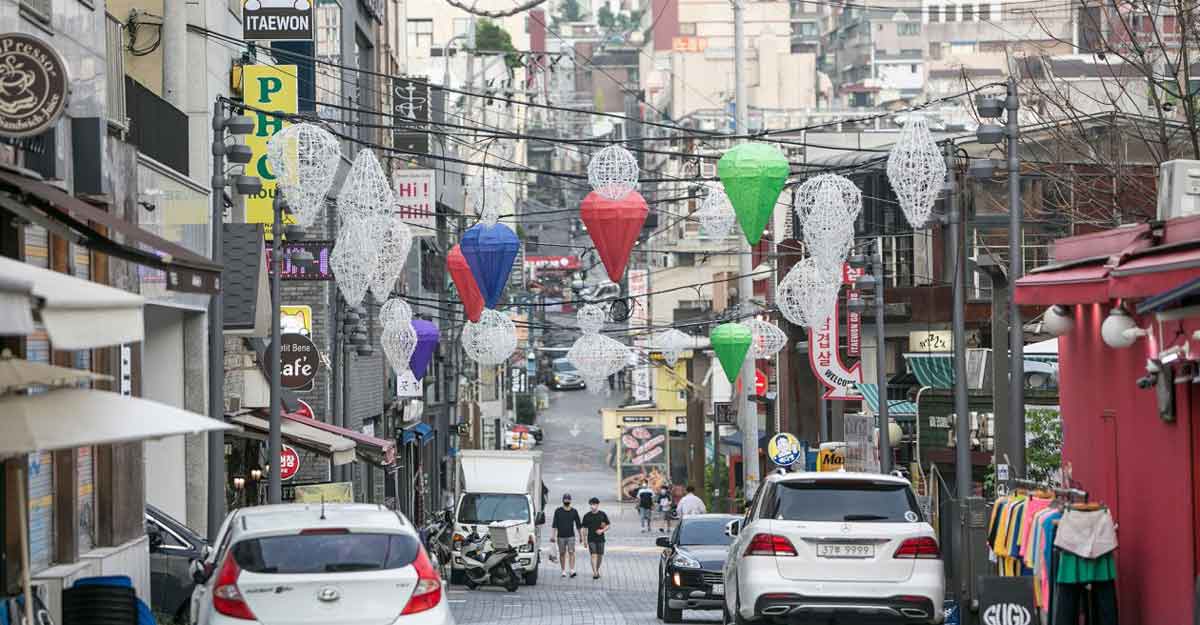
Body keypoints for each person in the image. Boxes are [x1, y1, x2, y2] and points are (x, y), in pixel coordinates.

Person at [550, 494, 583, 578]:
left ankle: (572, 570)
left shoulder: (574, 511)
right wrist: (553, 536)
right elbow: (554, 524)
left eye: (568, 500)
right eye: (565, 499)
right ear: (563, 500)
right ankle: (563, 570)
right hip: (560, 536)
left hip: (571, 536)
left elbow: (578, 524)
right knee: (562, 553)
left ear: (570, 501)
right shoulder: (558, 511)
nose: (567, 501)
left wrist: (580, 536)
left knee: (571, 552)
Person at [581, 497, 611, 579]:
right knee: (593, 555)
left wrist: (602, 530)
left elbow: (608, 525)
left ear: (597, 505)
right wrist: (584, 541)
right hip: (591, 539)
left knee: (600, 556)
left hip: (601, 539)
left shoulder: (602, 514)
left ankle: (597, 569)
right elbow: (584, 529)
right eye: (590, 505)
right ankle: (595, 572)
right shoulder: (587, 516)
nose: (592, 506)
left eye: (593, 504)